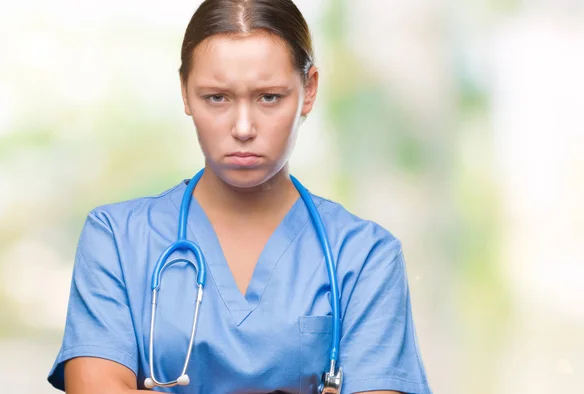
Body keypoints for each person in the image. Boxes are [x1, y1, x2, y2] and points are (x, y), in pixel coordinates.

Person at [47, 0, 432, 393]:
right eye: (217, 97)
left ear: (309, 90)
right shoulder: (115, 238)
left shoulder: (365, 256)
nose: (243, 127)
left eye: (269, 97)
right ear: (184, 92)